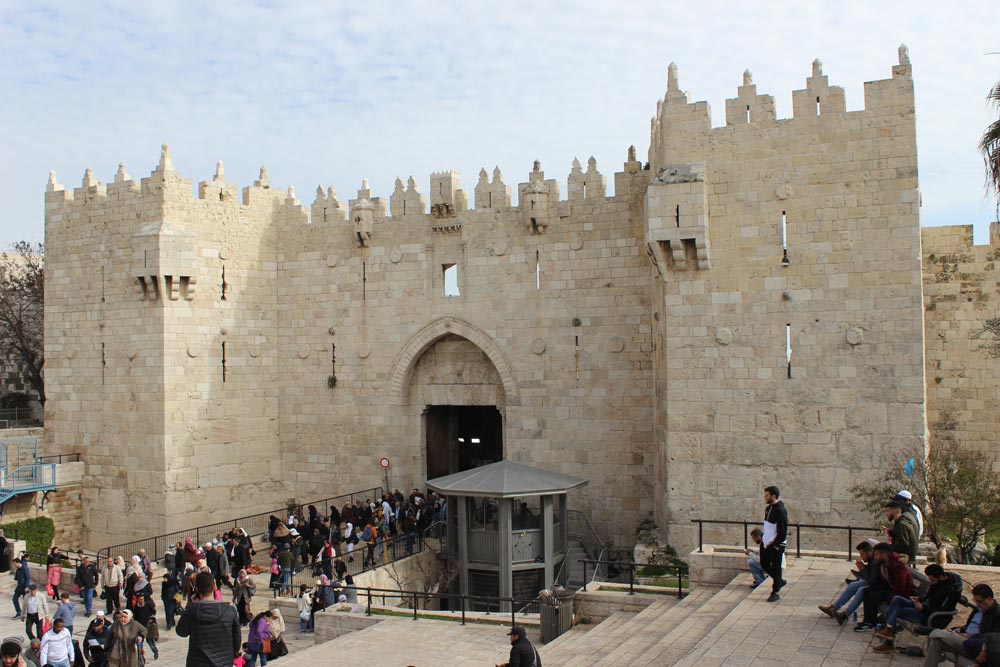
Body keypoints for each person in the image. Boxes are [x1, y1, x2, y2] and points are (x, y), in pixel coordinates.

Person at [871, 563, 963, 653]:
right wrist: (919, 599)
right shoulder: (937, 583)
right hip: (922, 606)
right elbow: (929, 598)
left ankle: (889, 638)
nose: (932, 582)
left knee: (895, 611)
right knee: (896, 599)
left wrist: (923, 608)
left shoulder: (952, 590)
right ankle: (889, 630)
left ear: (941, 577)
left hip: (930, 615)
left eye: (933, 580)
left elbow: (945, 610)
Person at [920, 584, 999, 667]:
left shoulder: (997, 614)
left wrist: (970, 636)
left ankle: (934, 631)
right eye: (975, 601)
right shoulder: (978, 609)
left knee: (939, 635)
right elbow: (969, 625)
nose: (977, 604)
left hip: (976, 645)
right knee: (937, 642)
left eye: (979, 601)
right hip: (962, 639)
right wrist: (960, 629)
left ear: (989, 599)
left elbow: (994, 639)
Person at [176, 571, 241, 667]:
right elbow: (236, 643)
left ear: (197, 589)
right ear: (214, 587)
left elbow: (181, 632)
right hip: (223, 662)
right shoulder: (230, 611)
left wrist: (192, 604)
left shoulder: (191, 611)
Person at [855, 542, 915, 632]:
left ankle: (871, 623)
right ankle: (868, 621)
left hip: (900, 593)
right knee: (866, 591)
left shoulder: (897, 565)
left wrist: (889, 600)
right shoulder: (883, 564)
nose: (875, 557)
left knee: (873, 596)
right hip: (889, 588)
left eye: (876, 555)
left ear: (884, 555)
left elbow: (900, 587)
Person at [818, 542, 878, 624]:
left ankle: (845, 615)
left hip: (877, 586)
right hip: (872, 582)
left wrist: (863, 569)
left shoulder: (875, 562)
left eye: (862, 554)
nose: (861, 557)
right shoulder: (871, 560)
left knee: (861, 590)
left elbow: (871, 580)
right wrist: (863, 569)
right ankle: (834, 607)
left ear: (869, 553)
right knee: (853, 585)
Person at [761, 485, 788, 603]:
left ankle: (775, 591)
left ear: (773, 496)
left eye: (767, 495)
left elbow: (782, 530)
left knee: (776, 568)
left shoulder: (780, 510)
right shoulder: (768, 509)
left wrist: (776, 543)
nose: (765, 497)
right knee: (764, 564)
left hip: (775, 544)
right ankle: (779, 580)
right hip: (766, 542)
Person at [882, 500, 918, 565]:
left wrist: (887, 548)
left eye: (887, 511)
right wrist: (890, 532)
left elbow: (903, 544)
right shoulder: (900, 522)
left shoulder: (902, 524)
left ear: (894, 511)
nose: (886, 514)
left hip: (904, 559)